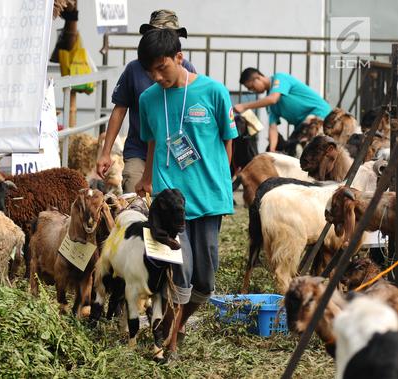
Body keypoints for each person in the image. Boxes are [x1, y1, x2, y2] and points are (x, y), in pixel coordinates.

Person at [135, 28, 238, 353]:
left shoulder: (214, 92)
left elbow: (227, 141)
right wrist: (147, 178)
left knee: (206, 281)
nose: (156, 76)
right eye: (149, 71)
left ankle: (172, 324)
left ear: (179, 58)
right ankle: (172, 340)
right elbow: (152, 140)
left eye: (161, 67)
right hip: (169, 200)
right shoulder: (148, 99)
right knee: (182, 271)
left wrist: (220, 183)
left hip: (208, 198)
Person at [95, 10, 196, 193]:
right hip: (140, 151)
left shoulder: (186, 69)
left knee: (176, 206)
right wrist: (106, 152)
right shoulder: (134, 69)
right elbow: (119, 109)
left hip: (176, 150)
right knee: (136, 201)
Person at [234, 68, 332, 153]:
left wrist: (244, 106)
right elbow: (273, 128)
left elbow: (273, 99)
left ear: (259, 77)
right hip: (303, 126)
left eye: (251, 87)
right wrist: (272, 150)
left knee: (304, 150)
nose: (252, 90)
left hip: (319, 114)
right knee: (291, 149)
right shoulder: (270, 104)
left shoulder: (279, 78)